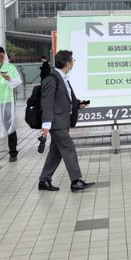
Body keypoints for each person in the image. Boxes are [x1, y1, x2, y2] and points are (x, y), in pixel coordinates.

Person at [38, 50, 94, 193]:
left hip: (63, 121)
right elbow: (47, 102)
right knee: (69, 148)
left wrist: (78, 104)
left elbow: (65, 99)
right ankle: (76, 181)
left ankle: (44, 180)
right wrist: (46, 124)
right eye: (72, 61)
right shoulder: (52, 78)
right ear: (68, 64)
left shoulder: (63, 78)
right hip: (56, 123)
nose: (73, 63)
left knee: (56, 152)